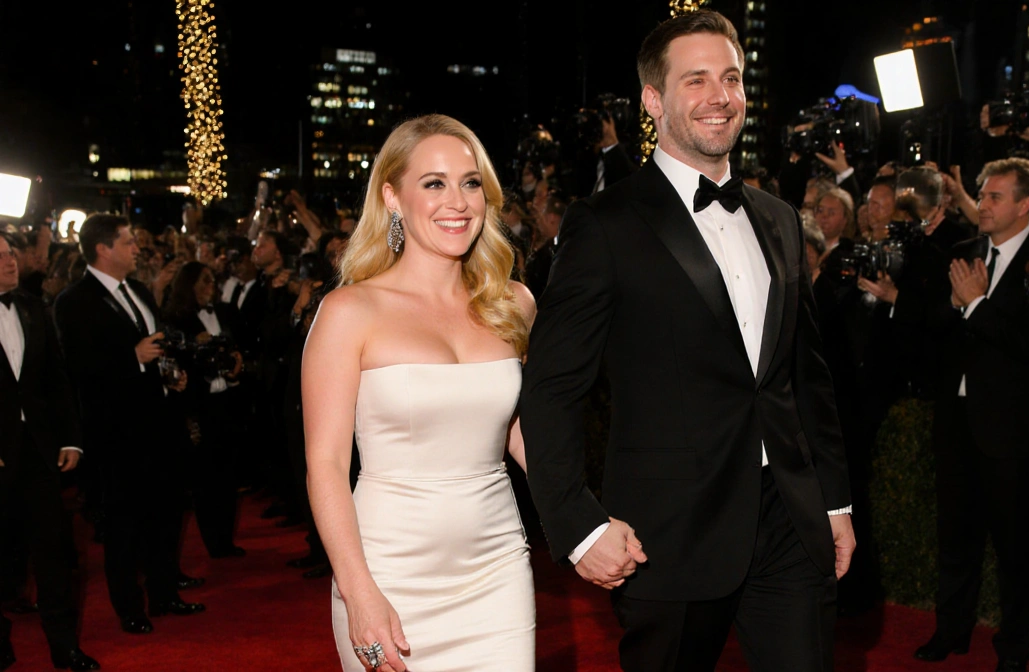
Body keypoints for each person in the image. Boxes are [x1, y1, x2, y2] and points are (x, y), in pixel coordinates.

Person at [521, 11, 854, 672]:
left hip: (788, 518)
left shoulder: (781, 219)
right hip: (668, 530)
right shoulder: (605, 223)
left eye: (730, 78)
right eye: (696, 79)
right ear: (654, 100)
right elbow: (553, 388)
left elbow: (803, 377)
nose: (719, 95)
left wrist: (834, 500)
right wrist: (578, 523)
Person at [303, 114, 536, 672]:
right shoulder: (348, 312)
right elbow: (326, 464)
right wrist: (359, 592)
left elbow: (520, 435)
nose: (457, 201)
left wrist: (591, 519)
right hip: (388, 573)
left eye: (470, 182)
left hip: (498, 568)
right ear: (392, 197)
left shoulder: (514, 304)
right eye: (434, 183)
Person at [916, 158, 1029, 672]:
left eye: (996, 197)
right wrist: (954, 307)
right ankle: (949, 631)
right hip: (957, 425)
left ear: (1025, 205)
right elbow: (931, 329)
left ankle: (1014, 651)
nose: (984, 204)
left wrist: (976, 306)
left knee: (1016, 552)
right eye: (983, 194)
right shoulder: (962, 253)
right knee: (955, 540)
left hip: (1013, 432)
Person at [53, 215, 203, 635]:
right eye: (128, 241)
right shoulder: (73, 300)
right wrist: (131, 358)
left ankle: (164, 591)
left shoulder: (137, 290)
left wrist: (170, 374)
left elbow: (155, 346)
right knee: (123, 524)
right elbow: (78, 368)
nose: (136, 248)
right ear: (103, 249)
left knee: (165, 512)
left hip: (159, 423)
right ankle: (128, 607)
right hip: (116, 433)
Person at [0, 234, 100, 671]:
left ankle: (64, 646)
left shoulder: (33, 307)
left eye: (10, 254)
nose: (9, 262)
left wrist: (72, 438)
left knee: (55, 551)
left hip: (39, 453)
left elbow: (57, 381)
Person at [163, 262, 247, 560]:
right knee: (205, 477)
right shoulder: (177, 320)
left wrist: (237, 363)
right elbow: (174, 365)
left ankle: (225, 539)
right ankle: (214, 541)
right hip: (198, 407)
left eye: (213, 280)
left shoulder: (225, 312)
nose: (211, 286)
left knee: (228, 474)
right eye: (205, 281)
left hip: (227, 402)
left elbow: (239, 349)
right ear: (189, 286)